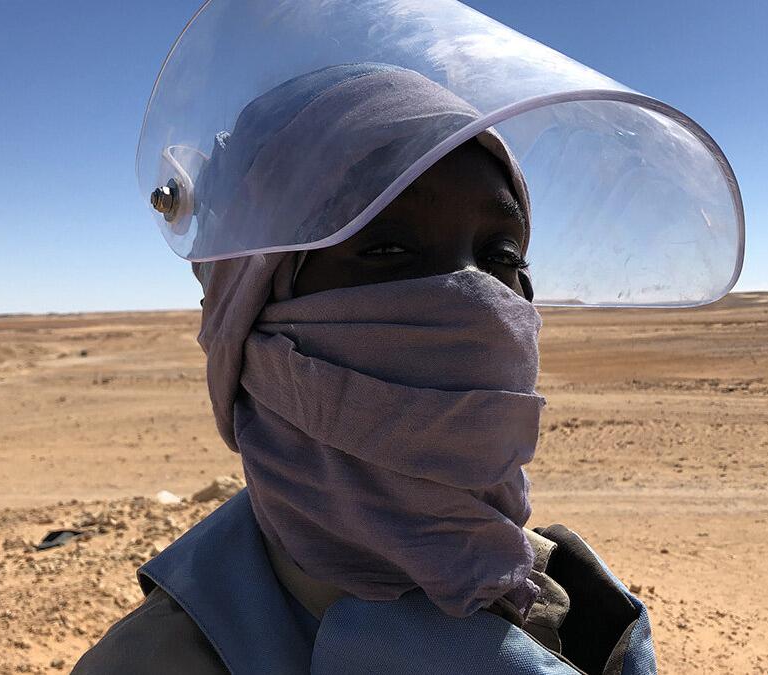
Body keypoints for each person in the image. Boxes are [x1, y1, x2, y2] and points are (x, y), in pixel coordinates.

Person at [74, 64, 657, 675]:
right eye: (386, 249)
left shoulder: (558, 592)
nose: (474, 296)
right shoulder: (166, 661)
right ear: (251, 316)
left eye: (500, 255)